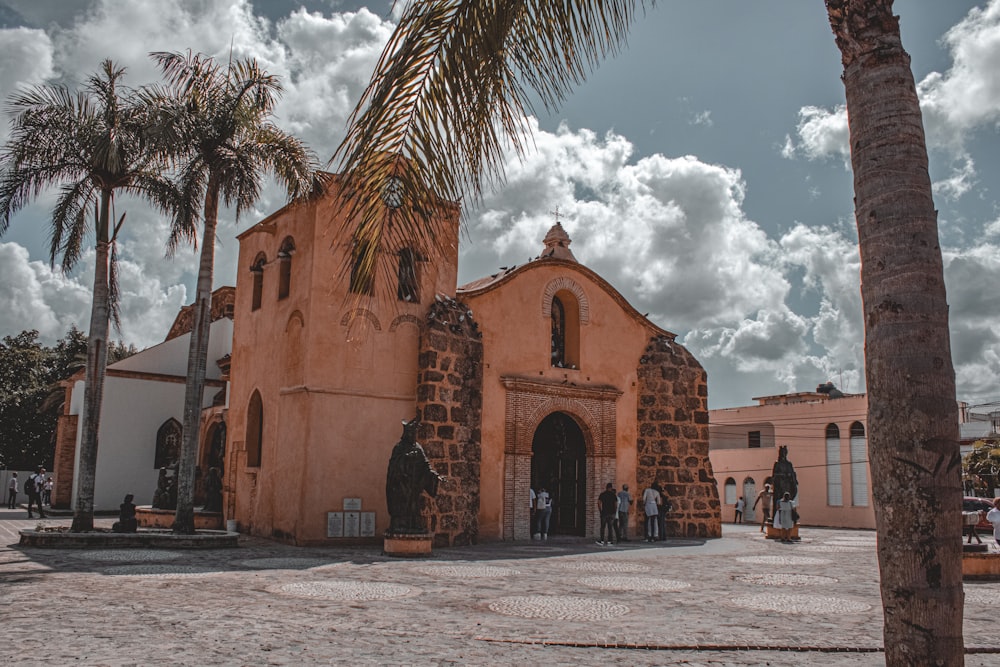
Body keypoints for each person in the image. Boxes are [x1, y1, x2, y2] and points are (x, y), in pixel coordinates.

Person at [386, 418, 445, 534]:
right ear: (406, 433)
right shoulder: (399, 448)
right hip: (401, 485)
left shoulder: (418, 447)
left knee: (414, 507)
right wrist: (406, 458)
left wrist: (435, 475)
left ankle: (413, 525)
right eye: (411, 433)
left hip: (414, 485)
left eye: (414, 433)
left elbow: (425, 465)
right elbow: (394, 465)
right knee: (401, 507)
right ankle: (399, 526)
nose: (413, 435)